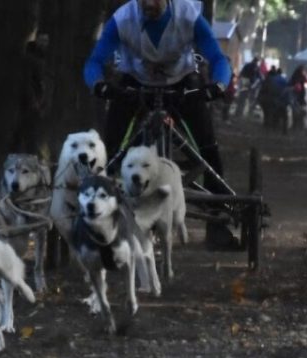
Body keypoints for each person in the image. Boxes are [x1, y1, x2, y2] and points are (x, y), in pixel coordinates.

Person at [83, 0, 238, 249]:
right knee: (110, 147)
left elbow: (218, 58)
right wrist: (98, 84)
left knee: (208, 146)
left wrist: (218, 84)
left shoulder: (188, 15)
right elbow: (94, 61)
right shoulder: (122, 19)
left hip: (182, 82)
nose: (148, 4)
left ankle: (217, 221)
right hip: (134, 83)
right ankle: (102, 216)